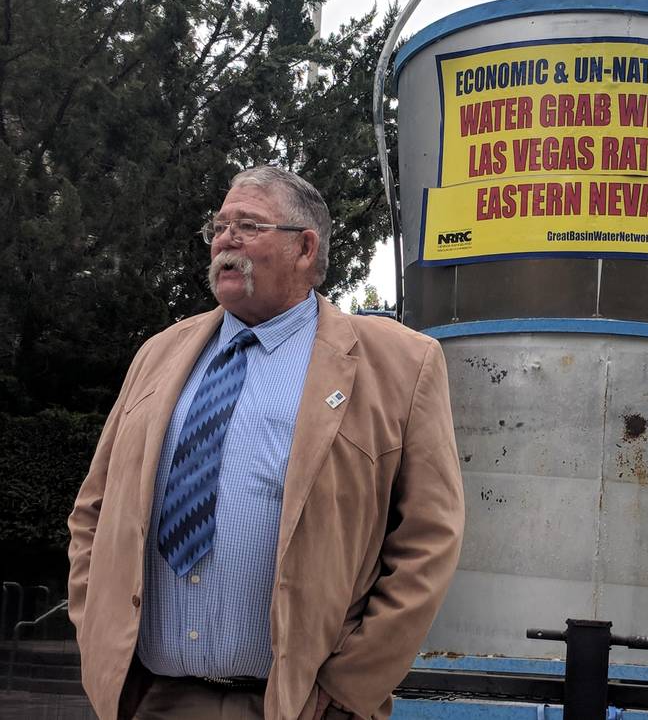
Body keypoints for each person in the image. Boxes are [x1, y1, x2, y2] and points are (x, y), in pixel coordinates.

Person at [67, 166, 464, 720]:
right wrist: (97, 635)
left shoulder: (401, 363)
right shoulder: (158, 354)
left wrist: (350, 687)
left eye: (248, 225)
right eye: (220, 225)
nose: (225, 239)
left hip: (301, 703)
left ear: (305, 248)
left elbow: (429, 538)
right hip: (151, 698)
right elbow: (93, 509)